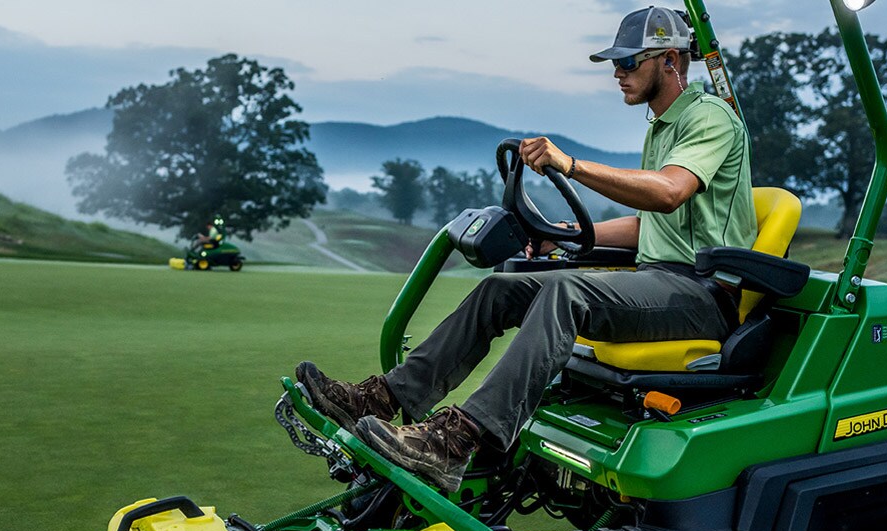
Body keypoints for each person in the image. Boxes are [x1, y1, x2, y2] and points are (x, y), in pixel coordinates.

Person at [297, 6, 756, 494]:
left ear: (669, 60)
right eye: (614, 64)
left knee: (566, 292)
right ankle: (384, 398)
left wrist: (570, 164)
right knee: (501, 288)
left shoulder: (710, 118)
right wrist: (563, 231)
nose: (617, 73)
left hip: (704, 294)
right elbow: (653, 224)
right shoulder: (662, 127)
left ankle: (455, 443)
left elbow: (668, 192)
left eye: (628, 62)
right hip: (659, 280)